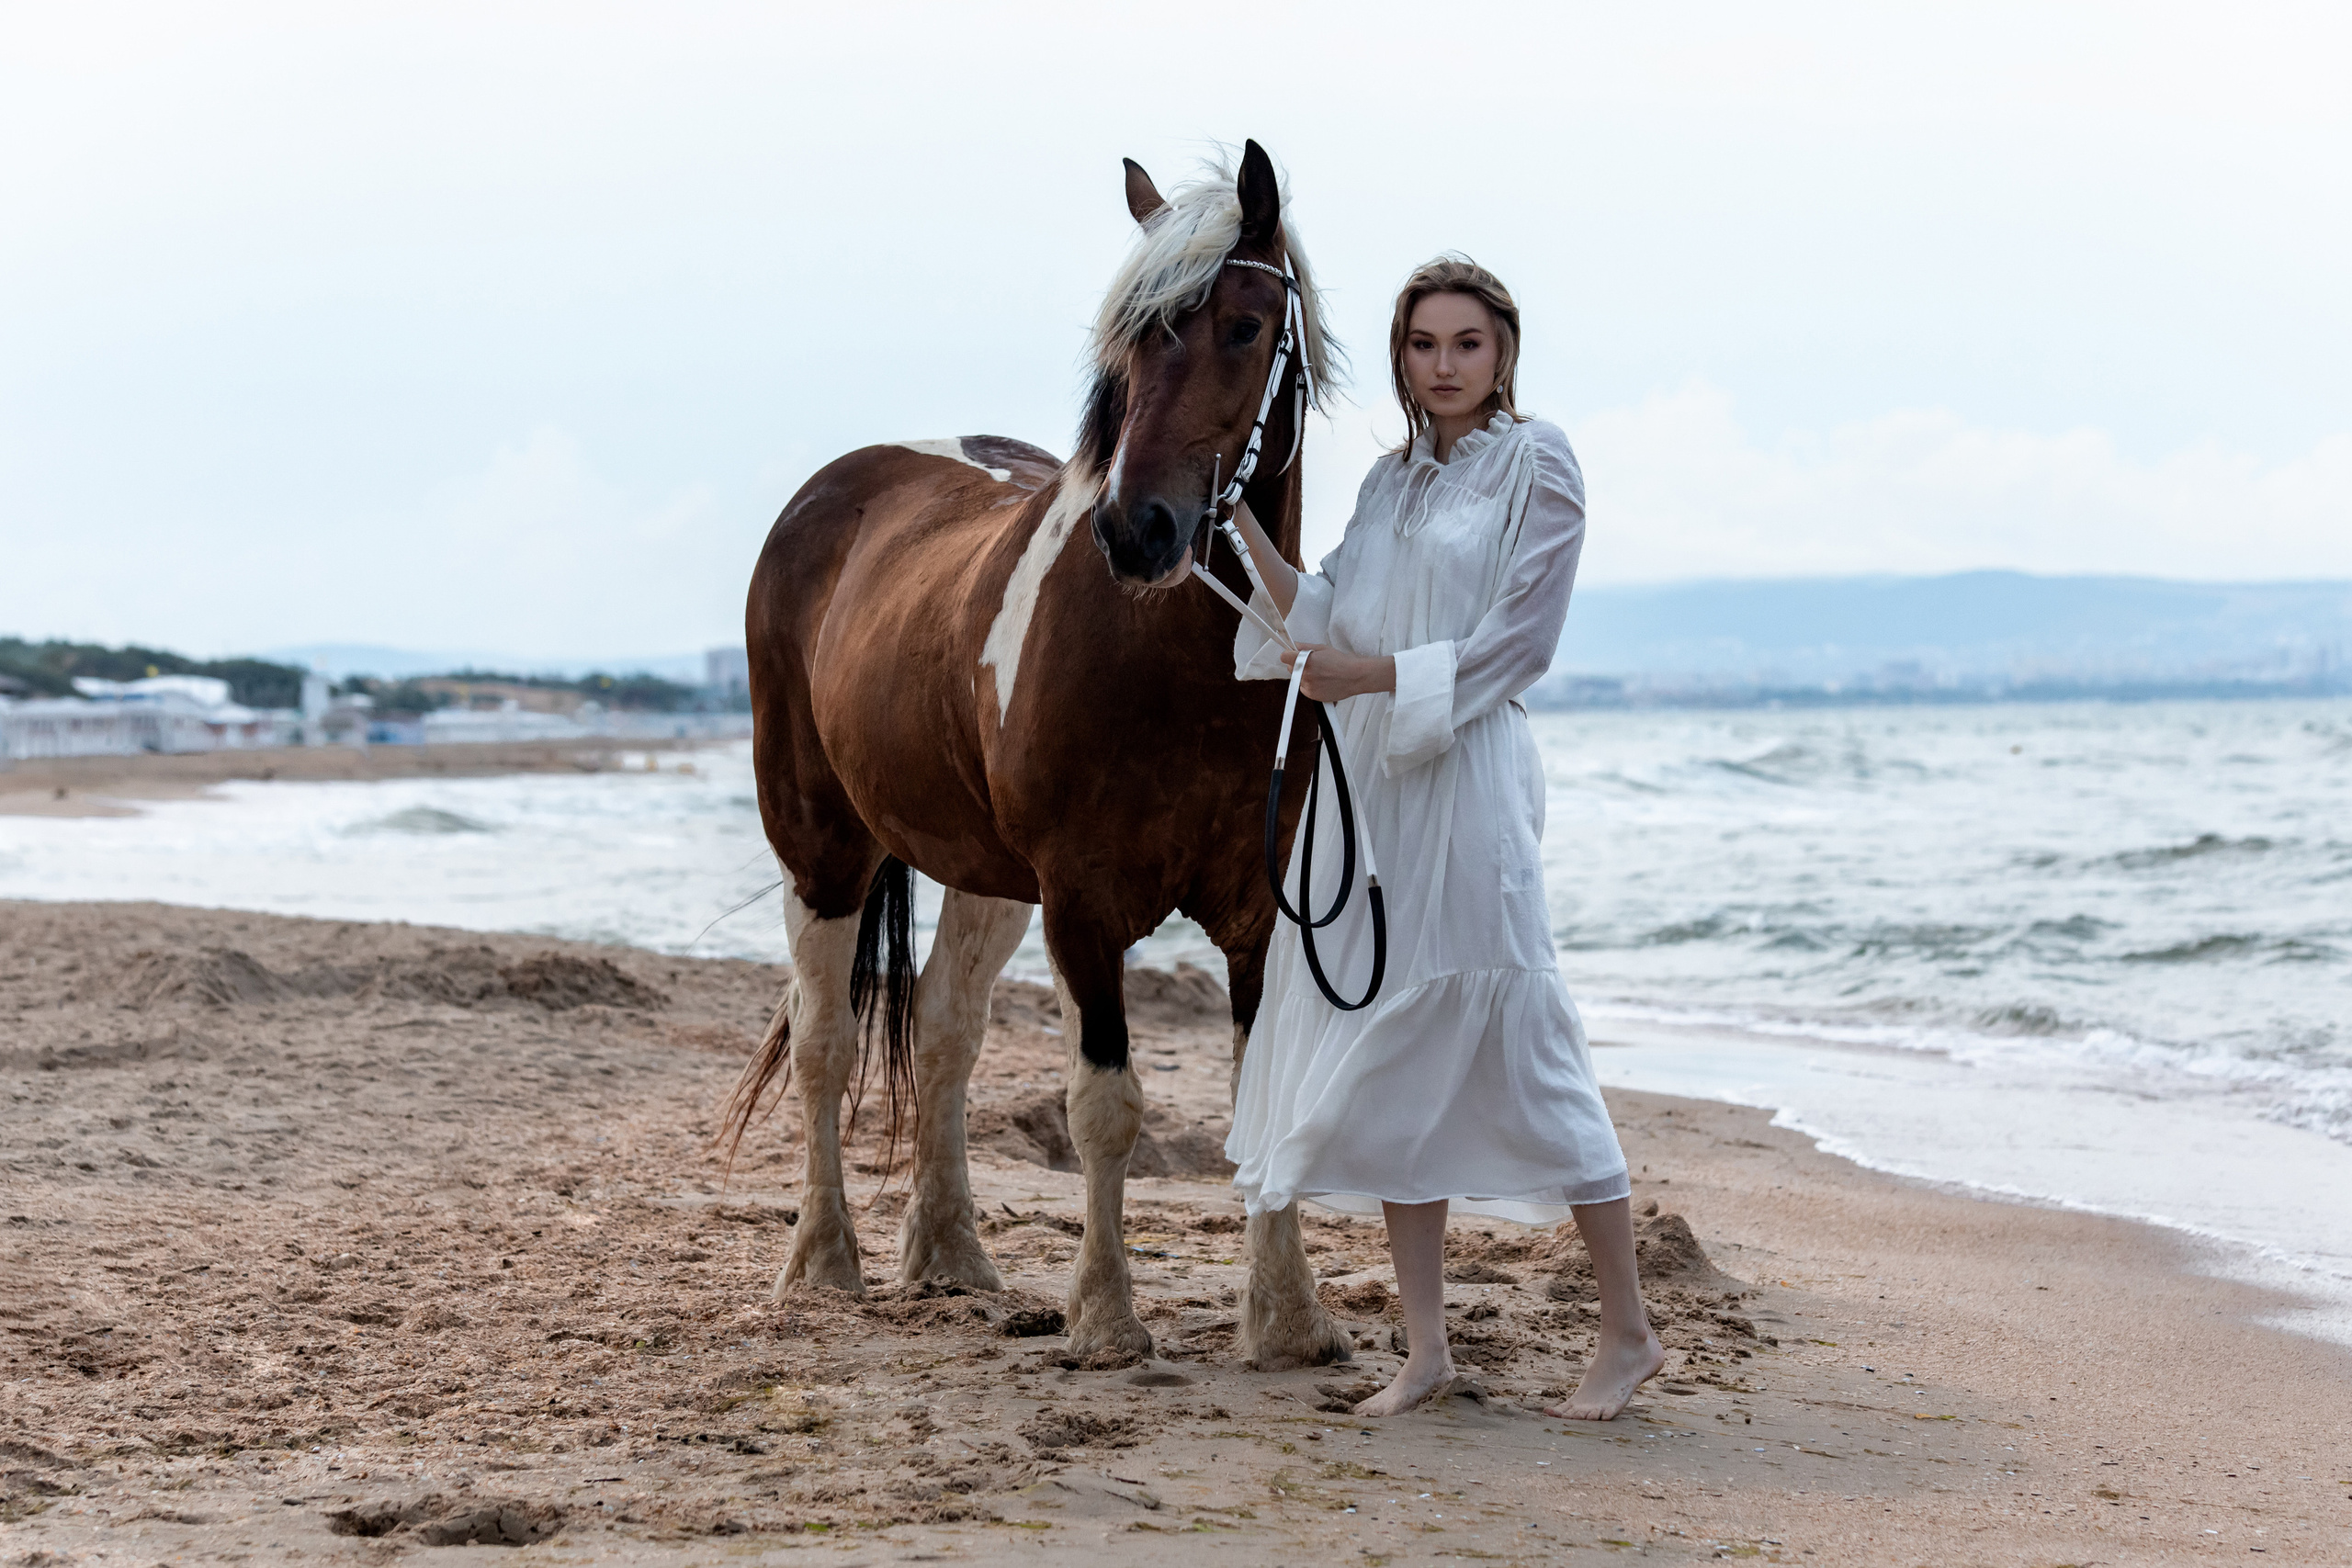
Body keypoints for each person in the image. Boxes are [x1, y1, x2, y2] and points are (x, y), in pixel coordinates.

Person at [1225, 254, 1664, 1419]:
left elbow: (1521, 646)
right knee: (1385, 1042)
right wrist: (1243, 538)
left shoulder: (1538, 463)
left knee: (1523, 1033)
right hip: (1368, 786)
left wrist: (1367, 673)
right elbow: (1325, 617)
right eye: (1424, 345)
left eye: (1466, 343)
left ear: (1503, 350)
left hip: (1467, 774)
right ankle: (1427, 1351)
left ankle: (1627, 1329)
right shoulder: (1385, 484)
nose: (1444, 365)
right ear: (1402, 358)